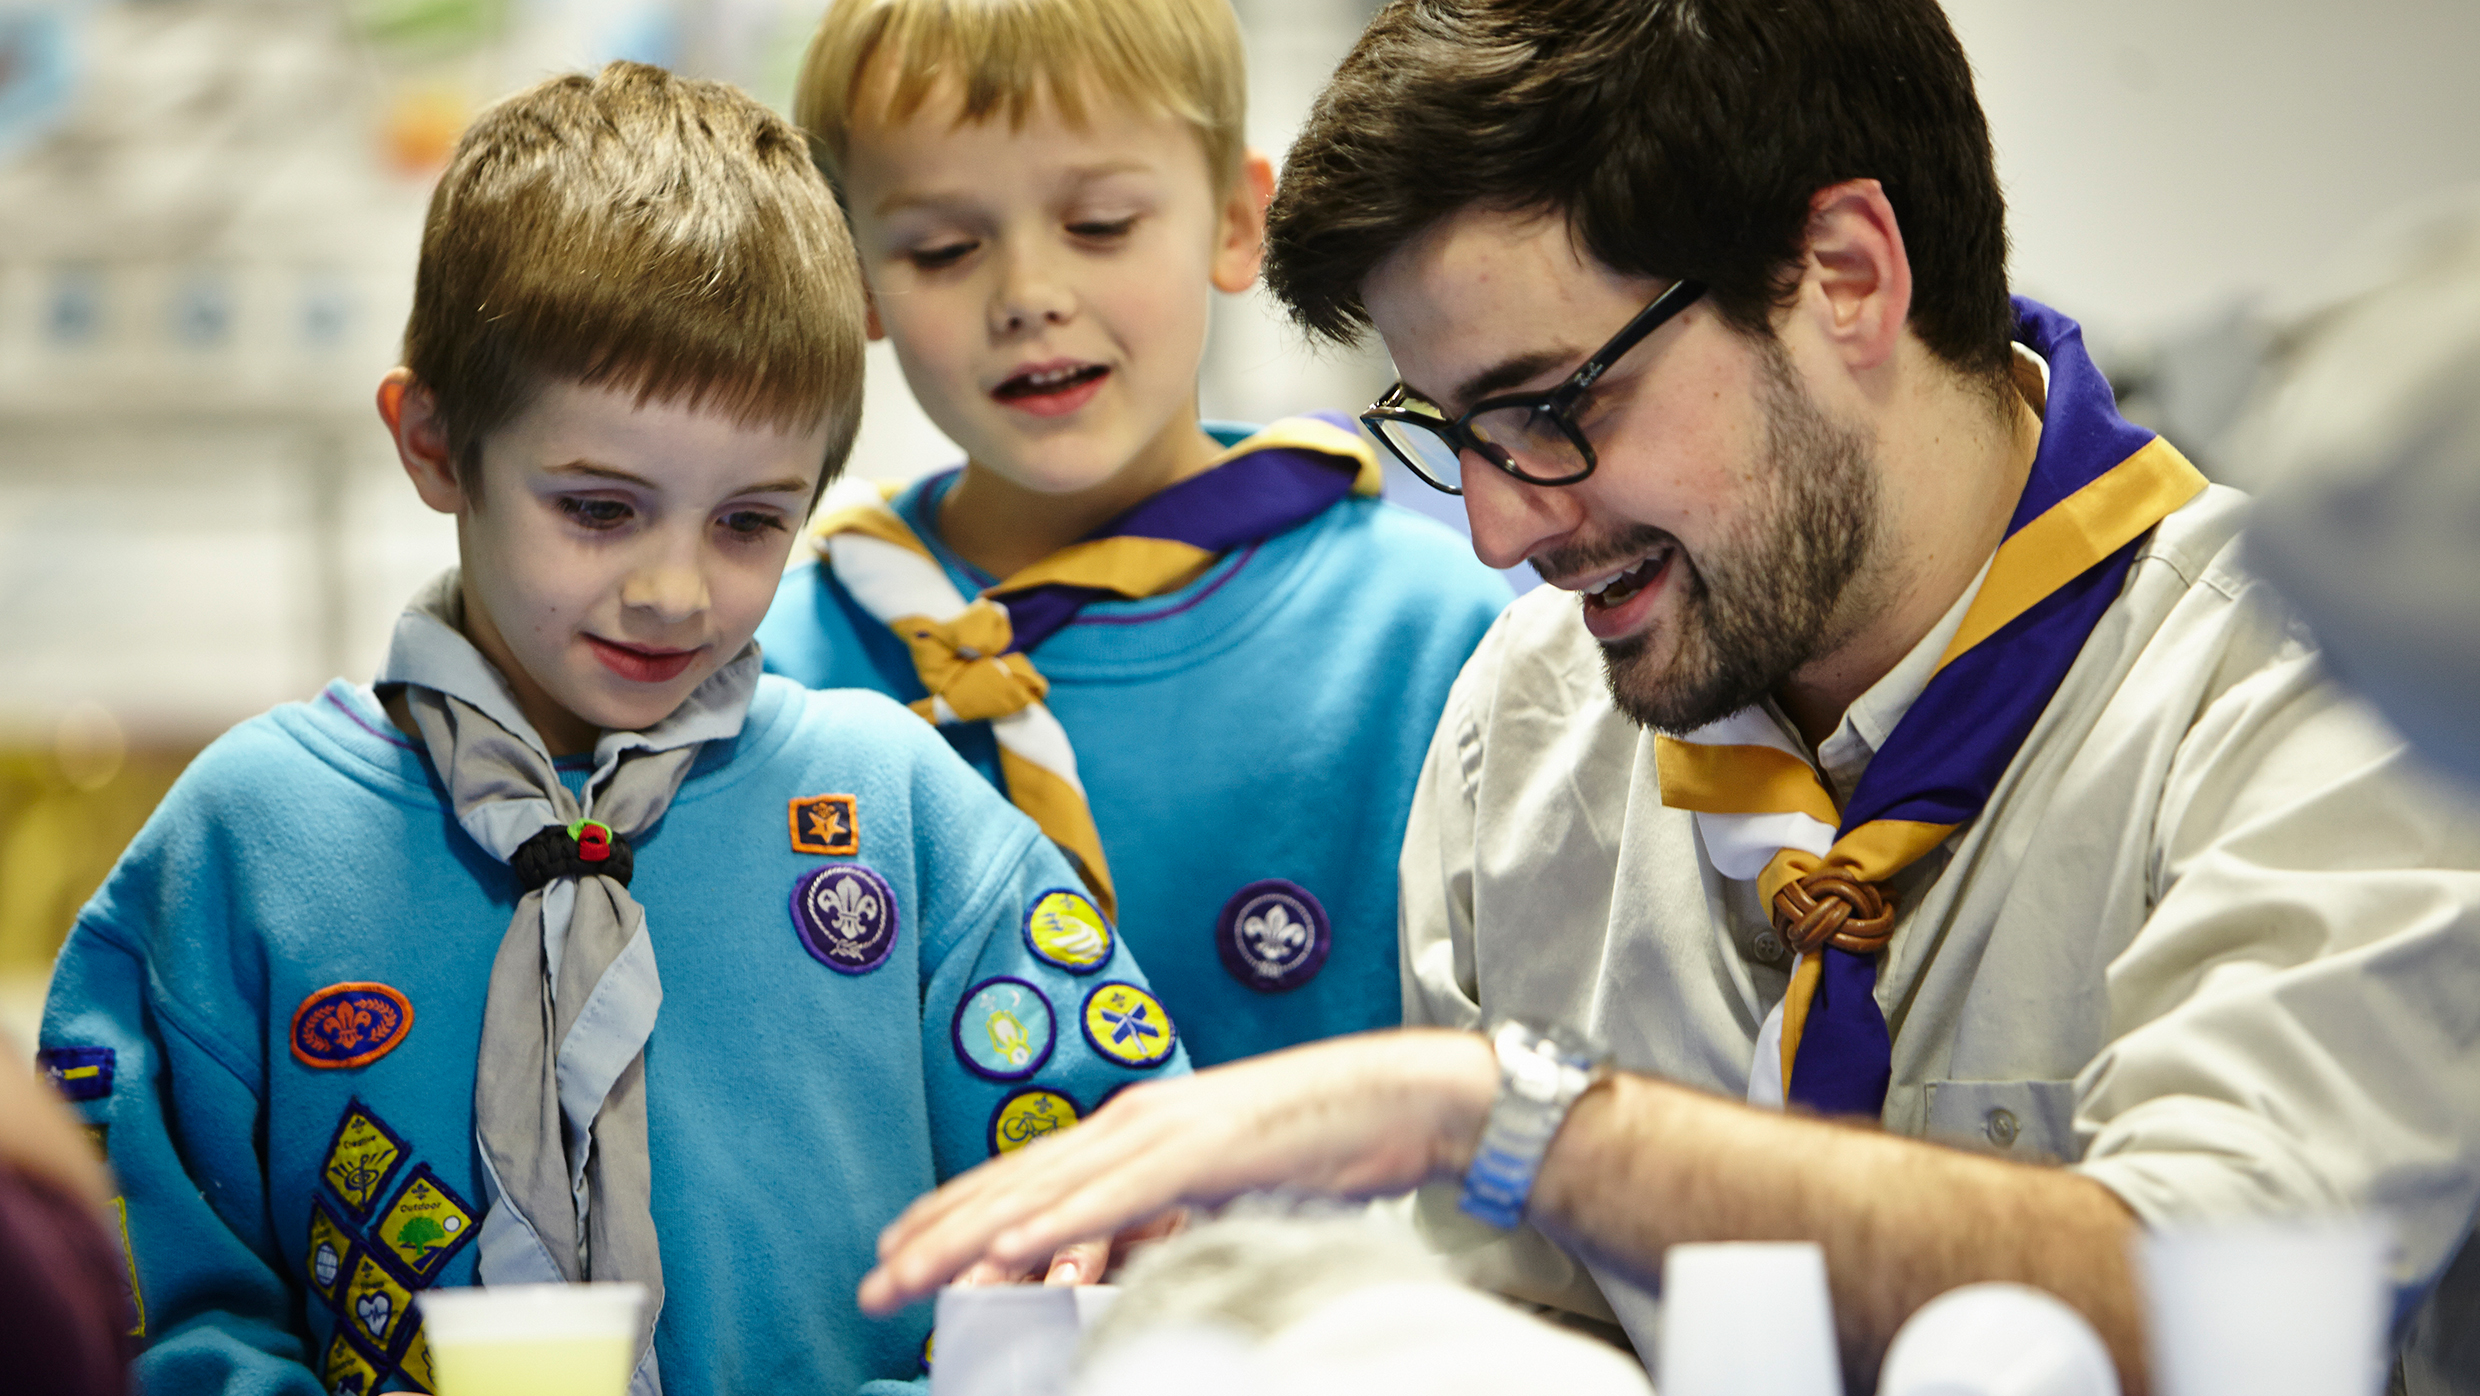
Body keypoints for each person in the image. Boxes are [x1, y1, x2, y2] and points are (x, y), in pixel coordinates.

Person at [846, 2, 2480, 1390]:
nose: (1497, 526)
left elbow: (2223, 1319)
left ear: (1843, 273)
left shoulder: (2351, 704)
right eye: (1452, 432)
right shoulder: (1527, 726)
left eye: (1553, 405)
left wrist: (1517, 1122)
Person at [37, 62, 1185, 1396]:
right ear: (435, 446)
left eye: (752, 521)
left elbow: (1134, 1225)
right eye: (598, 508)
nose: (673, 590)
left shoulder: (900, 812)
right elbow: (119, 1299)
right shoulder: (245, 847)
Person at [756, 0, 1509, 1070]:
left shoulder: (1445, 639)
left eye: (1100, 224)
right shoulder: (780, 670)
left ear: (1236, 223)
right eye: (942, 248)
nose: (1028, 296)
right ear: (856, 277)